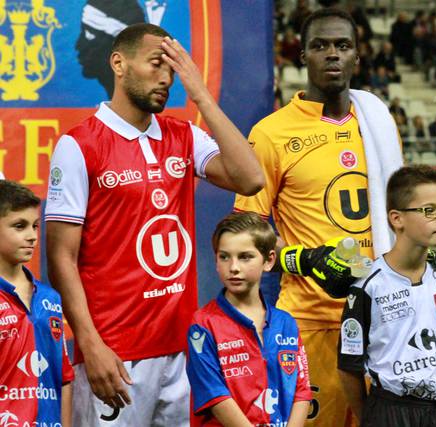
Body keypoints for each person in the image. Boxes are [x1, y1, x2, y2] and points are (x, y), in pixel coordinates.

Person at [45, 23, 264, 426]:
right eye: (155, 65)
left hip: (183, 350)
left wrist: (200, 94)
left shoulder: (184, 136)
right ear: (119, 63)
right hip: (115, 354)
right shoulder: (79, 145)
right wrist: (90, 345)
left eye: (173, 70)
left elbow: (251, 178)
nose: (166, 78)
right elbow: (60, 257)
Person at [234, 8, 403, 427]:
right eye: (320, 46)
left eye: (343, 46)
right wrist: (304, 259)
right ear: (301, 57)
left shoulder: (378, 123)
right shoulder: (271, 133)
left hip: (379, 317)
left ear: (358, 59)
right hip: (309, 322)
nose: (333, 55)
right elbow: (245, 232)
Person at [338, 165, 436, 427]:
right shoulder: (367, 285)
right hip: (389, 410)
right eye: (429, 210)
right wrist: (369, 418)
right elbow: (349, 366)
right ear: (396, 218)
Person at [186, 212, 311, 426]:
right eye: (224, 256)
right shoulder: (203, 325)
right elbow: (215, 396)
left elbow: (302, 391)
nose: (233, 267)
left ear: (269, 260)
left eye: (245, 257)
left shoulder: (286, 322)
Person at [0, 180, 74, 426]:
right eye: (19, 226)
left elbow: (63, 378)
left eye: (34, 226)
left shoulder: (51, 299)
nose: (32, 236)